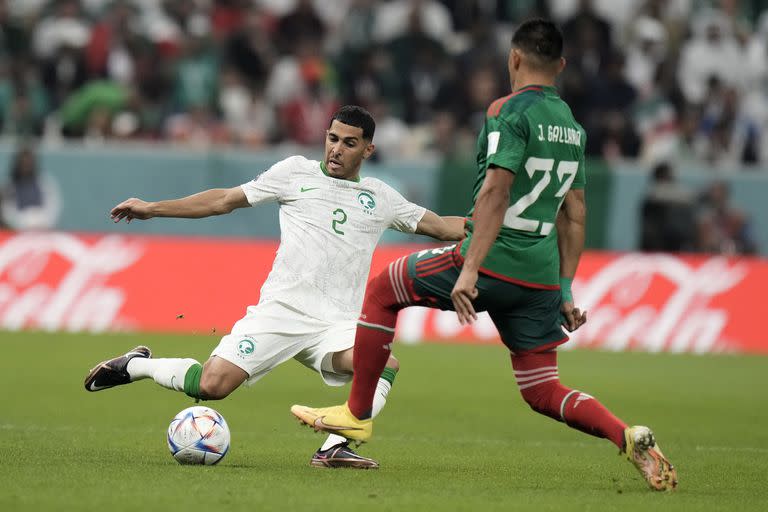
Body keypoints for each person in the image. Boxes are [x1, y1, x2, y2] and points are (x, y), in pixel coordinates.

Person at [291, 20, 678, 491]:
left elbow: (496, 188)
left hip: (492, 257)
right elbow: (575, 214)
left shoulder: (508, 111)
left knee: (383, 288)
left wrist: (469, 268)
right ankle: (626, 433)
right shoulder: (574, 129)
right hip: (539, 274)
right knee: (541, 389)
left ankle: (355, 415)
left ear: (513, 59)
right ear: (561, 66)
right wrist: (565, 288)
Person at [84, 105, 466, 469]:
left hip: (336, 324)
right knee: (212, 385)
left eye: (349, 143)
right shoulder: (294, 173)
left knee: (384, 363)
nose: (337, 149)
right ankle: (135, 366)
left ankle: (334, 447)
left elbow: (443, 227)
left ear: (368, 149)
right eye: (333, 138)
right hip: (281, 312)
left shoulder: (380, 197)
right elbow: (223, 201)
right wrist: (153, 207)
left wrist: (500, 225)